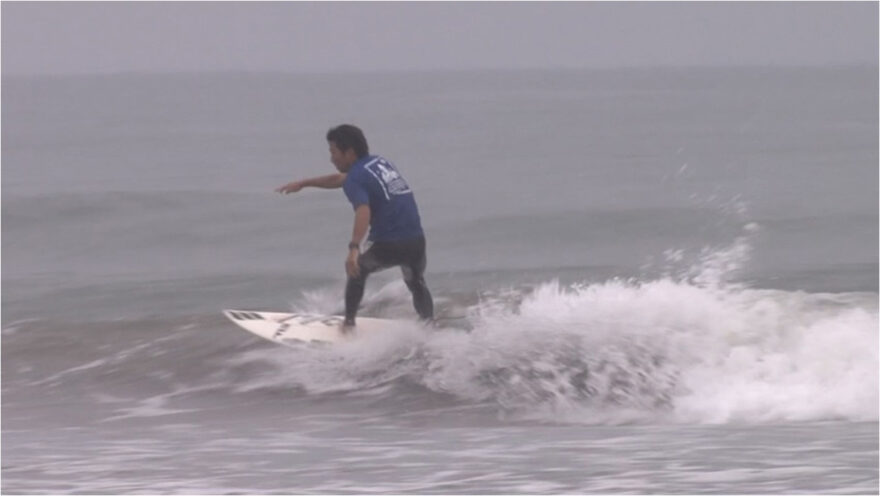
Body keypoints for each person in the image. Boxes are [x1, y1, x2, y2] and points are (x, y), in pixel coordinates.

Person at [276, 124, 434, 330]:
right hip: (416, 241)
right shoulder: (380, 163)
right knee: (416, 282)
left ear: (349, 152)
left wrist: (353, 248)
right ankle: (430, 326)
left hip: (390, 243)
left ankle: (348, 326)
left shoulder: (356, 178)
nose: (331, 158)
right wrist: (304, 183)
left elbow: (363, 210)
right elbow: (340, 179)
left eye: (334, 152)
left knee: (357, 269)